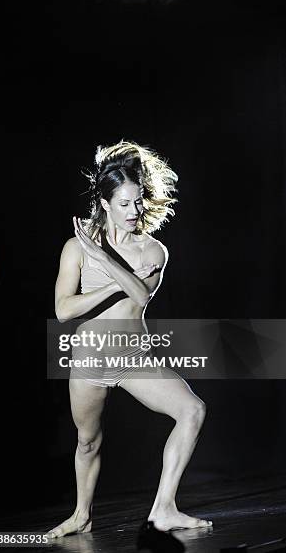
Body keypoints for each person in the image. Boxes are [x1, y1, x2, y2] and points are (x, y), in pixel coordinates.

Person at [47, 140, 212, 537]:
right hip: (88, 361)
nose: (134, 212)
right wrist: (108, 278)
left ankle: (164, 509)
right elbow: (64, 310)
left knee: (192, 411)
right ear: (104, 204)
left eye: (138, 202)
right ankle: (81, 515)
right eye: (123, 204)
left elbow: (140, 295)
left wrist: (104, 260)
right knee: (87, 442)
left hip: (133, 356)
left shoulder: (153, 249)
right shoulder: (76, 247)